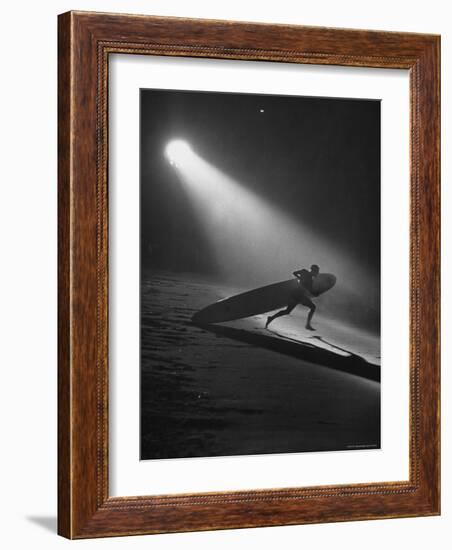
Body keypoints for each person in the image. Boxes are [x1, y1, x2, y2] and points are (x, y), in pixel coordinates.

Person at [265, 264, 320, 331]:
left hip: (297, 294)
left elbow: (295, 273)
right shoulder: (307, 274)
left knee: (287, 311)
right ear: (313, 271)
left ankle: (271, 318)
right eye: (317, 272)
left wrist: (299, 279)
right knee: (313, 307)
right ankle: (307, 325)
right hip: (298, 295)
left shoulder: (306, 274)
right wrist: (315, 293)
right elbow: (308, 288)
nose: (317, 273)